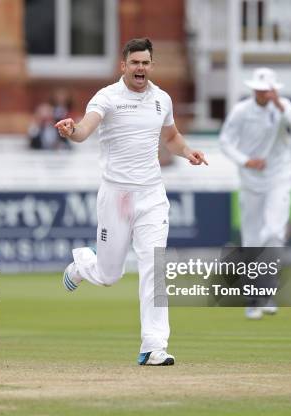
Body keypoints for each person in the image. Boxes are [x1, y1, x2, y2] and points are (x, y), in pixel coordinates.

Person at [55, 38, 208, 366]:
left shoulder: (161, 99)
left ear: (151, 66)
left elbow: (170, 137)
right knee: (110, 275)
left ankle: (154, 346)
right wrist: (71, 131)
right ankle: (85, 262)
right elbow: (85, 129)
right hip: (117, 196)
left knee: (156, 266)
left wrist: (188, 151)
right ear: (123, 66)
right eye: (134, 62)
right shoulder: (107, 97)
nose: (140, 68)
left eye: (145, 63)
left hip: (152, 194)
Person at [219, 67, 291, 320]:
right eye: (258, 90)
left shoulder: (284, 109)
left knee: (272, 234)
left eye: (267, 90)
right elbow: (225, 141)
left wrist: (284, 108)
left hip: (278, 179)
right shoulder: (241, 111)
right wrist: (246, 161)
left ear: (274, 90)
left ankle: (267, 293)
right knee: (251, 241)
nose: (262, 95)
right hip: (250, 183)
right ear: (253, 90)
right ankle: (253, 299)